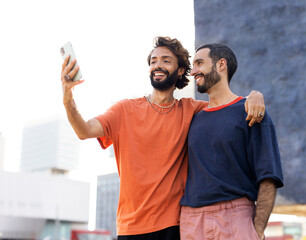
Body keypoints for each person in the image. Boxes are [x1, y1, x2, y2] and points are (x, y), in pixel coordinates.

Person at [60, 37, 266, 240]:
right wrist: (68, 96)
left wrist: (253, 97)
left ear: (179, 70)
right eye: (153, 61)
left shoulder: (192, 110)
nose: (158, 65)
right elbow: (84, 131)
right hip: (131, 228)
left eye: (166, 60)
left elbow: (226, 106)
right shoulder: (124, 110)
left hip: (175, 226)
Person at [179, 43, 284, 240]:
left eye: (199, 63)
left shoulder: (250, 111)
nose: (193, 71)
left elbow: (269, 175)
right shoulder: (192, 117)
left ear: (221, 65)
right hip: (191, 219)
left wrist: (258, 229)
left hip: (236, 216)